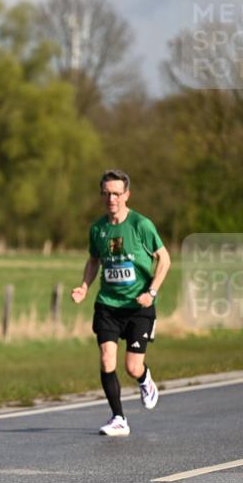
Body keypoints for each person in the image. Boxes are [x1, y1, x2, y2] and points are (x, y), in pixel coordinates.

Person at [71, 169, 170, 437]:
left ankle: (145, 379)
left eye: (116, 193)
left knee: (132, 367)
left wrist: (152, 292)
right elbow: (94, 261)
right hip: (108, 305)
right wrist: (84, 286)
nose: (111, 199)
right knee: (106, 360)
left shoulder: (141, 225)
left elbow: (164, 259)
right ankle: (119, 418)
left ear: (127, 195)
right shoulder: (98, 229)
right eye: (106, 194)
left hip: (139, 306)